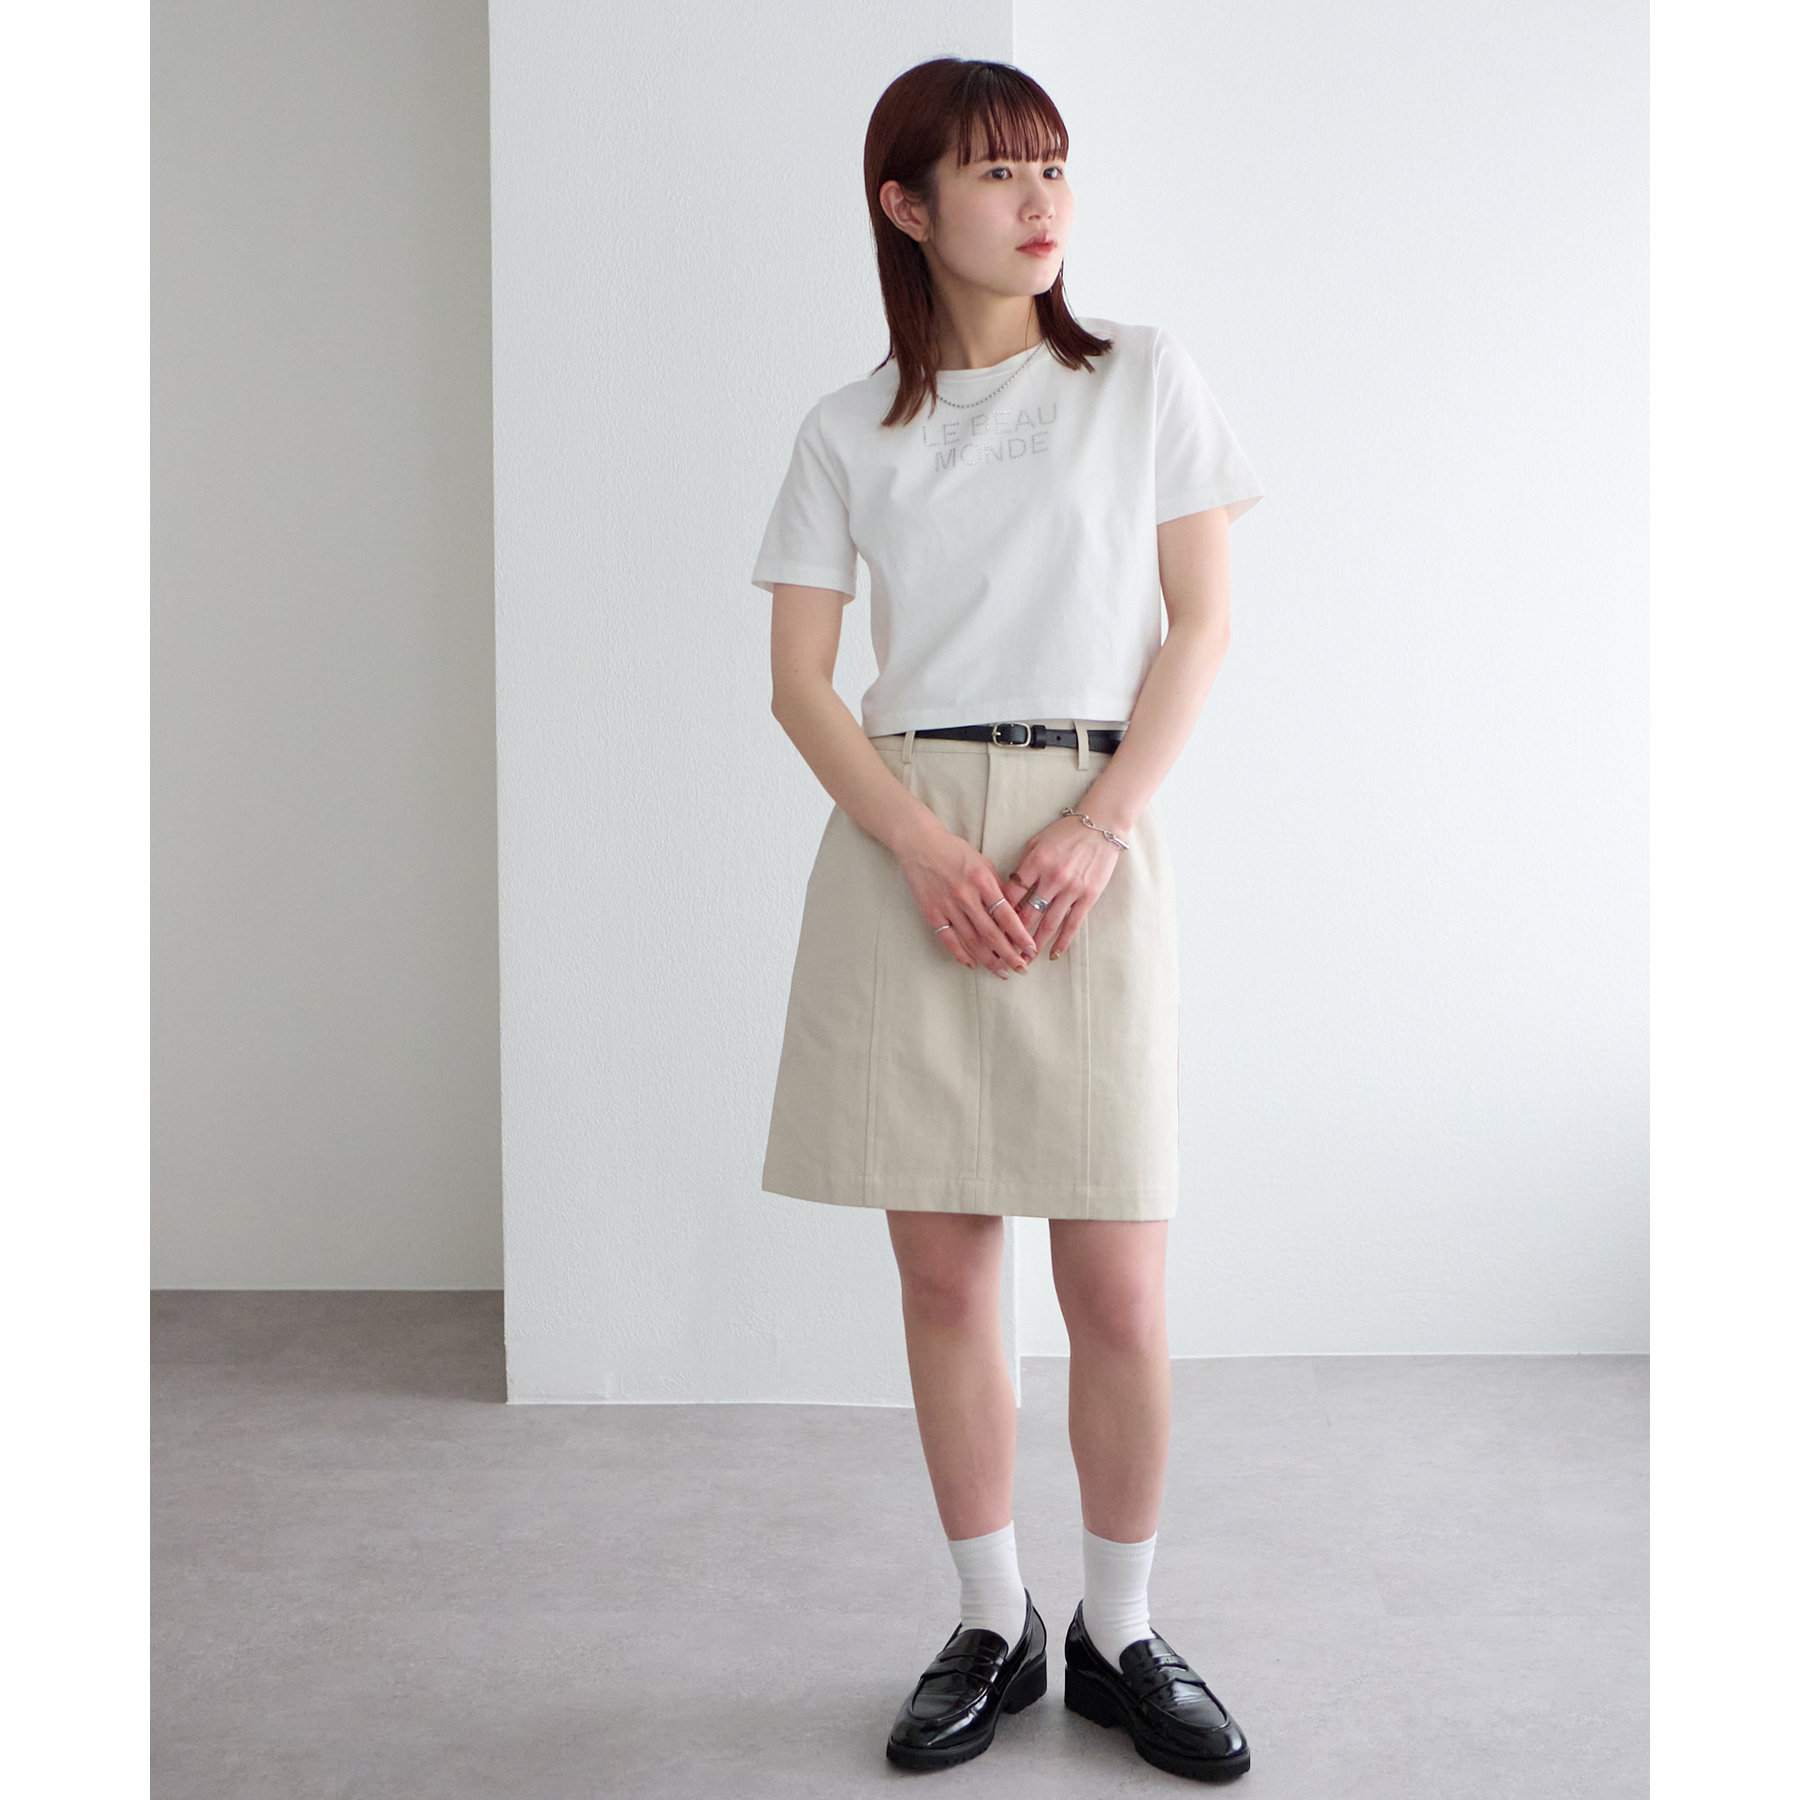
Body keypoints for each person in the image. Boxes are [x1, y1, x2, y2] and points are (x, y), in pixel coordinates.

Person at [750, 57, 1263, 1782]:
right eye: (995, 174)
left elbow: (1199, 628)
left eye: (1054, 167)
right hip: (909, 844)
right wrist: (914, 844)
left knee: (1116, 1279)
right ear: (906, 206)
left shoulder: (1143, 381)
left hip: (1085, 835)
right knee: (944, 1271)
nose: (1042, 203)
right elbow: (800, 681)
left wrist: (1103, 827)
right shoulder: (846, 429)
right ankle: (992, 1619)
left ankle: (1124, 1631)